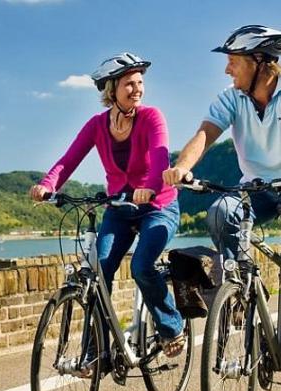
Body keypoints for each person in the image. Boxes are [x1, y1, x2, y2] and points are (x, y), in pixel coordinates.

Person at [29, 52, 185, 371]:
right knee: (98, 270)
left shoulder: (152, 117)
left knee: (142, 266)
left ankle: (172, 328)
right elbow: (68, 159)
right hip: (118, 208)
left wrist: (152, 185)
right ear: (111, 89)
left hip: (158, 205)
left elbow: (159, 157)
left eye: (140, 82)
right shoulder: (97, 125)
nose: (137, 89)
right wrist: (47, 185)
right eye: (130, 83)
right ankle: (95, 351)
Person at [163, 25, 281, 261]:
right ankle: (239, 284)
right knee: (221, 213)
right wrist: (183, 167)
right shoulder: (231, 97)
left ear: (258, 61)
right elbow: (206, 133)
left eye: (233, 61)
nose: (227, 70)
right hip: (254, 190)